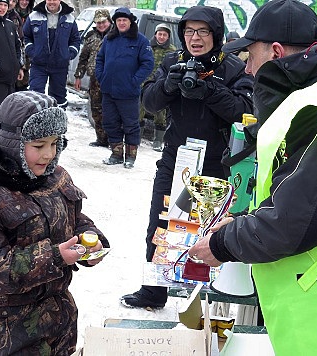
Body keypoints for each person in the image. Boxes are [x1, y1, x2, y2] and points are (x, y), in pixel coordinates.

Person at [186, 0, 317, 354]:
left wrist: (222, 244)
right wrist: (242, 220)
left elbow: (294, 222)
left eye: (251, 57)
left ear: (274, 52)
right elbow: (309, 196)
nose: (250, 71)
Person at [0, 91, 110, 354]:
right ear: (12, 142)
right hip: (5, 327)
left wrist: (90, 240)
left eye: (55, 143)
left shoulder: (55, 177)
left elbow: (75, 218)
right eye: (38, 146)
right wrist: (56, 257)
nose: (49, 154)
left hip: (58, 318)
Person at [121, 5, 253, 308]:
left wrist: (209, 91)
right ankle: (153, 288)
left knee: (209, 230)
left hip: (218, 163)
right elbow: (149, 102)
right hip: (177, 158)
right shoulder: (172, 62)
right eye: (189, 31)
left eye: (203, 31)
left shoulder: (233, 68)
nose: (195, 38)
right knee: (161, 222)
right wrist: (168, 85)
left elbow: (245, 111)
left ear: (215, 35)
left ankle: (206, 295)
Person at [95, 7, 154, 169]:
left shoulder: (140, 41)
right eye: (118, 20)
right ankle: (116, 154)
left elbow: (148, 63)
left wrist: (134, 81)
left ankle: (131, 157)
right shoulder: (109, 39)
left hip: (128, 93)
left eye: (124, 20)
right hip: (108, 91)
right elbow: (99, 59)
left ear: (130, 22)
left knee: (130, 125)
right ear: (115, 22)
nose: (121, 23)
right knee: (110, 123)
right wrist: (101, 76)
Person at [23, 0, 80, 110]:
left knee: (58, 98)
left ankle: (57, 124)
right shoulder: (34, 16)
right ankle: (35, 124)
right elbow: (26, 36)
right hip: (38, 64)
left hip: (60, 65)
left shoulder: (69, 18)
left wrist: (68, 54)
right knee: (35, 96)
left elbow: (75, 40)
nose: (52, 2)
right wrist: (31, 51)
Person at [74, 8, 112, 148]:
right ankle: (101, 139)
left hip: (111, 80)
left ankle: (114, 141)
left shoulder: (116, 36)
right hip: (95, 79)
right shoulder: (91, 37)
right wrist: (78, 76)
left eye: (103, 22)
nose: (101, 25)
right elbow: (83, 58)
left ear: (109, 21)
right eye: (98, 23)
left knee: (111, 110)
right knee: (96, 110)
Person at [139, 23, 176, 152]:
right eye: (159, 34)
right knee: (139, 111)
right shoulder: (147, 47)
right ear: (155, 35)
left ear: (168, 37)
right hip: (144, 82)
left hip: (161, 85)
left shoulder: (172, 50)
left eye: (164, 34)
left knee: (160, 113)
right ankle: (137, 138)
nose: (161, 37)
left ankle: (158, 141)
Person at [14, 0, 33, 91]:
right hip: (13, 53)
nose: (24, 2)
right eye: (22, 0)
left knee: (22, 85)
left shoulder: (33, 15)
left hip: (27, 55)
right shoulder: (11, 12)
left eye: (27, 0)